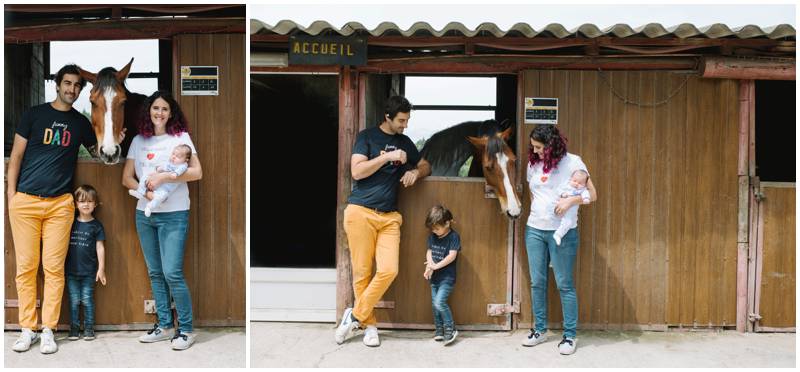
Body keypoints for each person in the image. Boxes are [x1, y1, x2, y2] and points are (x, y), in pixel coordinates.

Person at [7, 64, 120, 354]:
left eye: (76, 86)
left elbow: (98, 153)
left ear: (81, 90)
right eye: (67, 83)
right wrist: (11, 196)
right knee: (26, 269)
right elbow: (16, 156)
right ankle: (27, 329)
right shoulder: (34, 114)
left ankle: (48, 330)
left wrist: (115, 142)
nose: (71, 89)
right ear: (57, 85)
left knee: (54, 269)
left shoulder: (80, 123)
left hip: (60, 204)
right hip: (26, 202)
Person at [335, 95, 431, 347]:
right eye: (401, 120)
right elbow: (356, 171)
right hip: (360, 212)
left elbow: (426, 165)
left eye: (407, 120)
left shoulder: (405, 142)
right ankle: (370, 326)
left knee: (389, 270)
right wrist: (387, 158)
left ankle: (354, 315)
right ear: (388, 117)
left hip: (389, 217)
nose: (405, 125)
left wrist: (414, 171)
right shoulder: (366, 137)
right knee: (363, 273)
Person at [121, 90, 202, 350]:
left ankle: (187, 330)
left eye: (165, 109)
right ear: (148, 111)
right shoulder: (138, 140)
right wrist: (146, 191)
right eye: (155, 108)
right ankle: (166, 326)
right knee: (155, 273)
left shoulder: (181, 138)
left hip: (175, 214)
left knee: (172, 273)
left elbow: (197, 172)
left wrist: (165, 178)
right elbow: (127, 178)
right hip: (145, 214)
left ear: (171, 113)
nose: (159, 113)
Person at [522, 124, 596, 355]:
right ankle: (540, 330)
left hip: (562, 232)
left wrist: (569, 202)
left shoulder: (574, 162)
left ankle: (569, 336)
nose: (535, 152)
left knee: (564, 284)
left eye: (540, 147)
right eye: (533, 147)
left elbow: (592, 195)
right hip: (534, 229)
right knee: (537, 282)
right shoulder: (533, 164)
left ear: (552, 145)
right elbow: (535, 193)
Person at [65, 185, 107, 341]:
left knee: (87, 300)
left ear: (95, 204)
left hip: (89, 272)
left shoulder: (96, 226)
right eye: (82, 201)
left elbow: (100, 247)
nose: (86, 204)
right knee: (74, 301)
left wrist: (101, 268)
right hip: (71, 271)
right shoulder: (69, 223)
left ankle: (89, 329)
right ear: (76, 203)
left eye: (90, 201)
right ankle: (74, 329)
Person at [422, 205, 461, 345]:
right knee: (434, 305)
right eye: (432, 228)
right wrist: (430, 266)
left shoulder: (453, 237)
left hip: (447, 278)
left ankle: (450, 329)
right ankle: (439, 330)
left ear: (447, 223)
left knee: (439, 302)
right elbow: (429, 251)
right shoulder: (433, 236)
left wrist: (435, 266)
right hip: (435, 277)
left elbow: (452, 256)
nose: (434, 231)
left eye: (437, 228)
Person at [128, 143, 192, 216]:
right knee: (144, 177)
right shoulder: (170, 162)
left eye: (178, 156)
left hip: (165, 188)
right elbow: (163, 167)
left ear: (186, 160)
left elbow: (181, 170)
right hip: (156, 182)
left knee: (160, 196)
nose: (174, 157)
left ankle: (149, 207)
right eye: (173, 154)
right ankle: (140, 192)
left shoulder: (182, 165)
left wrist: (175, 174)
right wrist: (159, 169)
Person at [552, 170, 591, 246]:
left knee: (568, 222)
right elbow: (558, 190)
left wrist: (586, 198)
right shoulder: (566, 185)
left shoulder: (581, 190)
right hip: (559, 207)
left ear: (584, 184)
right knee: (559, 214)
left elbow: (585, 193)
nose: (576, 184)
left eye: (580, 183)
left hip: (570, 212)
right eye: (575, 181)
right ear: (571, 179)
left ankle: (558, 234)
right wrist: (562, 193)